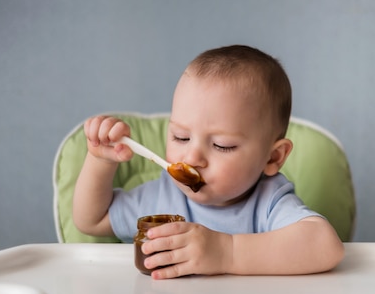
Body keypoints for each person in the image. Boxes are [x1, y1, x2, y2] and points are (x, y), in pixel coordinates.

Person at [73, 45, 345, 279]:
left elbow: (326, 247)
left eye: (221, 145)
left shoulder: (268, 203)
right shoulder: (162, 199)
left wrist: (227, 252)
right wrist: (101, 161)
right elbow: (92, 221)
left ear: (272, 157)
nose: (191, 158)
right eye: (181, 137)